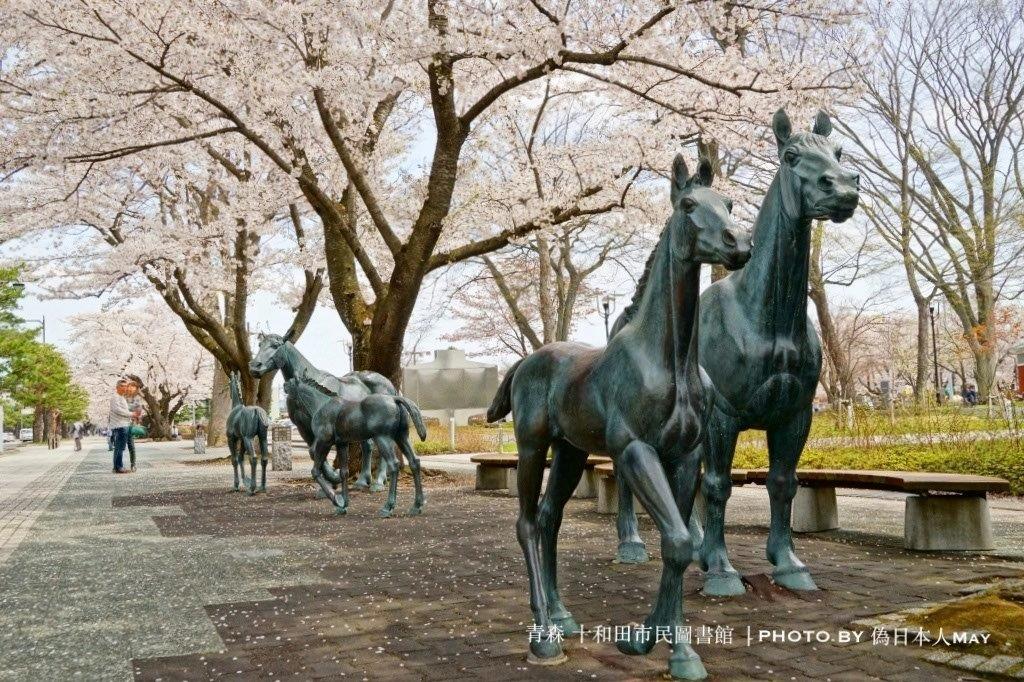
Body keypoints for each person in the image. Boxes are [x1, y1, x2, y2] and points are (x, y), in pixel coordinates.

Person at [108, 379, 132, 474]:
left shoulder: (122, 397)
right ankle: (118, 467)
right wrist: (131, 414)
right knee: (119, 447)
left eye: (126, 386)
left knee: (120, 447)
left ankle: (117, 467)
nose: (125, 388)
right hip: (119, 425)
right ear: (117, 387)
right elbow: (117, 410)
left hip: (123, 424)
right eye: (123, 386)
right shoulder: (115, 397)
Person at [124, 380, 144, 472]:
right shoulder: (122, 397)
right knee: (119, 446)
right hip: (120, 423)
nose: (131, 388)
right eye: (130, 386)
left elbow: (138, 410)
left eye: (133, 387)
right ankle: (117, 465)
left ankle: (133, 464)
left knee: (131, 445)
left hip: (130, 424)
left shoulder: (137, 398)